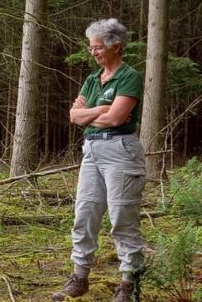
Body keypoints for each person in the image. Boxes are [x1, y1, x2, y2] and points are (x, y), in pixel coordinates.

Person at [52, 18, 145, 302]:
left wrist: (90, 113)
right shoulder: (93, 79)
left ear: (116, 47)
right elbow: (73, 116)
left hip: (121, 151)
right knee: (85, 214)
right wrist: (100, 109)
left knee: (122, 219)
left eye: (98, 47)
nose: (93, 52)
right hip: (91, 151)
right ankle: (79, 278)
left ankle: (129, 284)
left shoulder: (129, 76)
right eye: (91, 47)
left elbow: (117, 118)